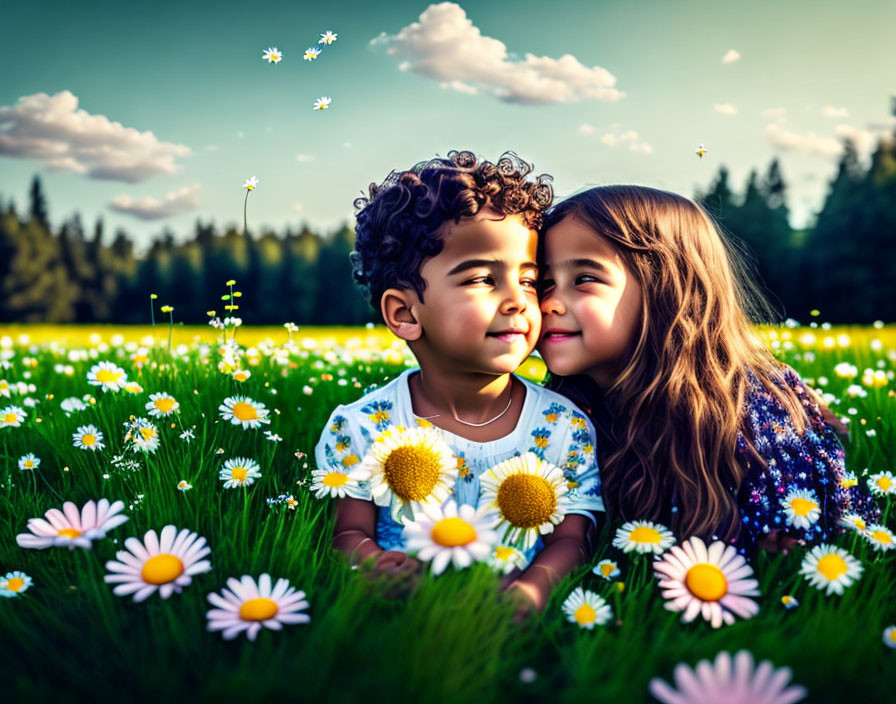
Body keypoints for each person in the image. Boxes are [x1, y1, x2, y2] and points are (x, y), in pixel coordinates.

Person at [313, 151, 604, 617]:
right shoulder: (364, 426)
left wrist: (535, 588)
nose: (517, 302)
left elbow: (571, 537)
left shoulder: (561, 425)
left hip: (510, 633)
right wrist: (370, 562)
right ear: (405, 314)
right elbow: (349, 533)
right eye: (482, 279)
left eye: (529, 281)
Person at [537, 185, 878, 556]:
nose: (550, 303)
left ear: (664, 289)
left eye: (584, 279)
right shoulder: (559, 409)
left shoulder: (742, 413)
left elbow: (792, 549)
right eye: (543, 282)